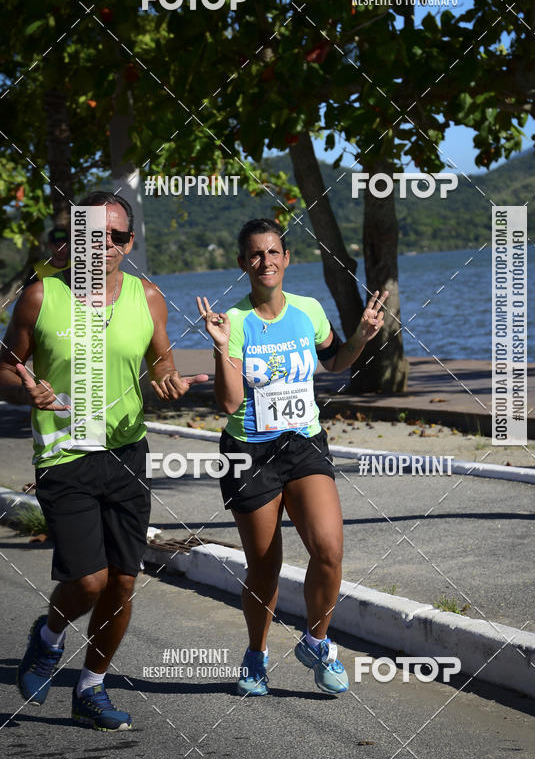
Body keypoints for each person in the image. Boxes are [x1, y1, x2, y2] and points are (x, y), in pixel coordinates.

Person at [0, 191, 207, 731]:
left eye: (116, 236)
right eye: (95, 234)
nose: (106, 245)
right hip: (65, 454)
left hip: (126, 452)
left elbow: (161, 359)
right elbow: (4, 370)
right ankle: (48, 637)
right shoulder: (41, 296)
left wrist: (168, 379)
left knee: (122, 582)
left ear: (129, 242)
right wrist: (26, 391)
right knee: (89, 581)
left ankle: (91, 688)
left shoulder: (147, 296)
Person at [197, 218, 387, 697]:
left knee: (329, 550)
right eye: (256, 254)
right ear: (243, 263)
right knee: (264, 567)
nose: (266, 261)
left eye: (273, 252)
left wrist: (362, 336)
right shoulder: (233, 321)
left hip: (303, 444)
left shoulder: (309, 310)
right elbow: (229, 403)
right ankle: (256, 655)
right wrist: (220, 349)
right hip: (249, 451)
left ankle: (317, 643)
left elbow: (334, 361)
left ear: (286, 258)